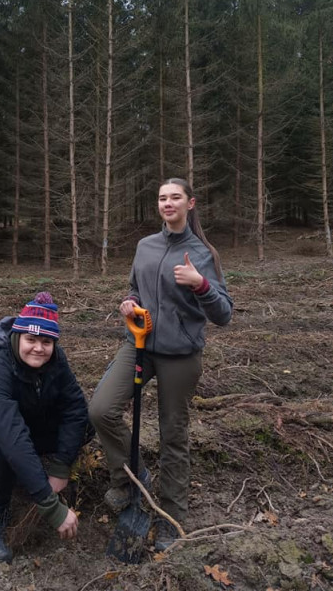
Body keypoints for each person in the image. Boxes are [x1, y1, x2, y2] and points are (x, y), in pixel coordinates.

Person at [89, 177, 233, 551]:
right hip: (139, 344)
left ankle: (171, 515)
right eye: (162, 199)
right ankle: (131, 476)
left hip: (181, 355)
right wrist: (128, 302)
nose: (168, 204)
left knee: (173, 434)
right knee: (101, 409)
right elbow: (136, 288)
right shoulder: (145, 246)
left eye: (175, 198)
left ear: (190, 204)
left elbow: (224, 314)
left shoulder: (202, 253)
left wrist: (200, 283)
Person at [0, 291, 89, 563]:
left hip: (25, 413)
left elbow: (75, 409)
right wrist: (49, 504)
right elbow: (10, 433)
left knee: (87, 424)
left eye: (46, 342)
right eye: (31, 340)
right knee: (4, 444)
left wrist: (61, 467)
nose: (38, 348)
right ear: (17, 337)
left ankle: (38, 471)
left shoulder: (56, 360)